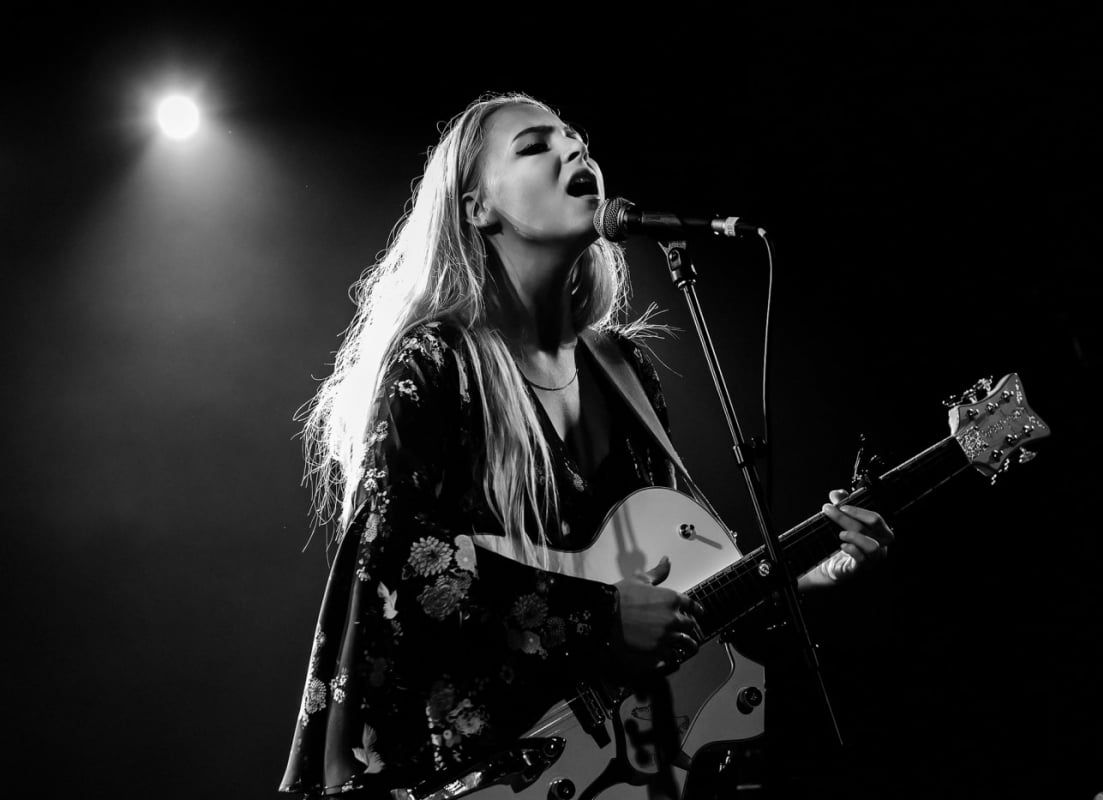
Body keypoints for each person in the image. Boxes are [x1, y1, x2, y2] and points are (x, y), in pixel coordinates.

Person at [279, 91, 894, 799]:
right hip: (478, 774)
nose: (575, 152)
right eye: (536, 146)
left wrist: (811, 579)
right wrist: (599, 618)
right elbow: (392, 562)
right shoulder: (437, 361)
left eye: (577, 141)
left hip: (625, 773)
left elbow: (678, 607)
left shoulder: (623, 371)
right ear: (477, 207)